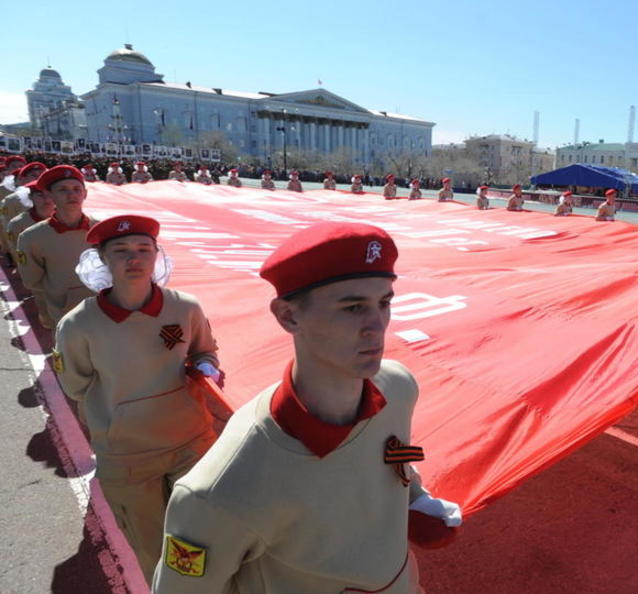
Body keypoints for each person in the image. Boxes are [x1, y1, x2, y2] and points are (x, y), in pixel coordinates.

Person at [153, 222, 461, 593]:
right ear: (288, 316)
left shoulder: (397, 386)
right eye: (352, 307)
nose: (377, 325)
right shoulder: (221, 489)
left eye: (384, 302)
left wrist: (416, 500)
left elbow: (394, 459)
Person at [54, 214, 222, 578]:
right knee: (154, 552)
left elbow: (205, 350)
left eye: (144, 249)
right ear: (103, 259)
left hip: (192, 443)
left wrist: (208, 365)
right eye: (122, 251)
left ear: (156, 255)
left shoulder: (185, 307)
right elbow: (76, 387)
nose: (134, 258)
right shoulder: (77, 325)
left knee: (203, 542)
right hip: (127, 457)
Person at [15, 166, 99, 329]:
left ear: (85, 193)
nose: (71, 195)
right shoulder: (32, 237)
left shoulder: (101, 229)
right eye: (62, 190)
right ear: (50, 196)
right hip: (63, 314)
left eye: (77, 189)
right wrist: (66, 294)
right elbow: (32, 280)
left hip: (102, 311)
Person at [2, 162, 47, 265]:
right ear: (22, 179)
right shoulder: (12, 200)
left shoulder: (53, 195)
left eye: (41, 175)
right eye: (33, 176)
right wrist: (17, 258)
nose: (39, 178)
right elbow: (9, 230)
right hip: (26, 250)